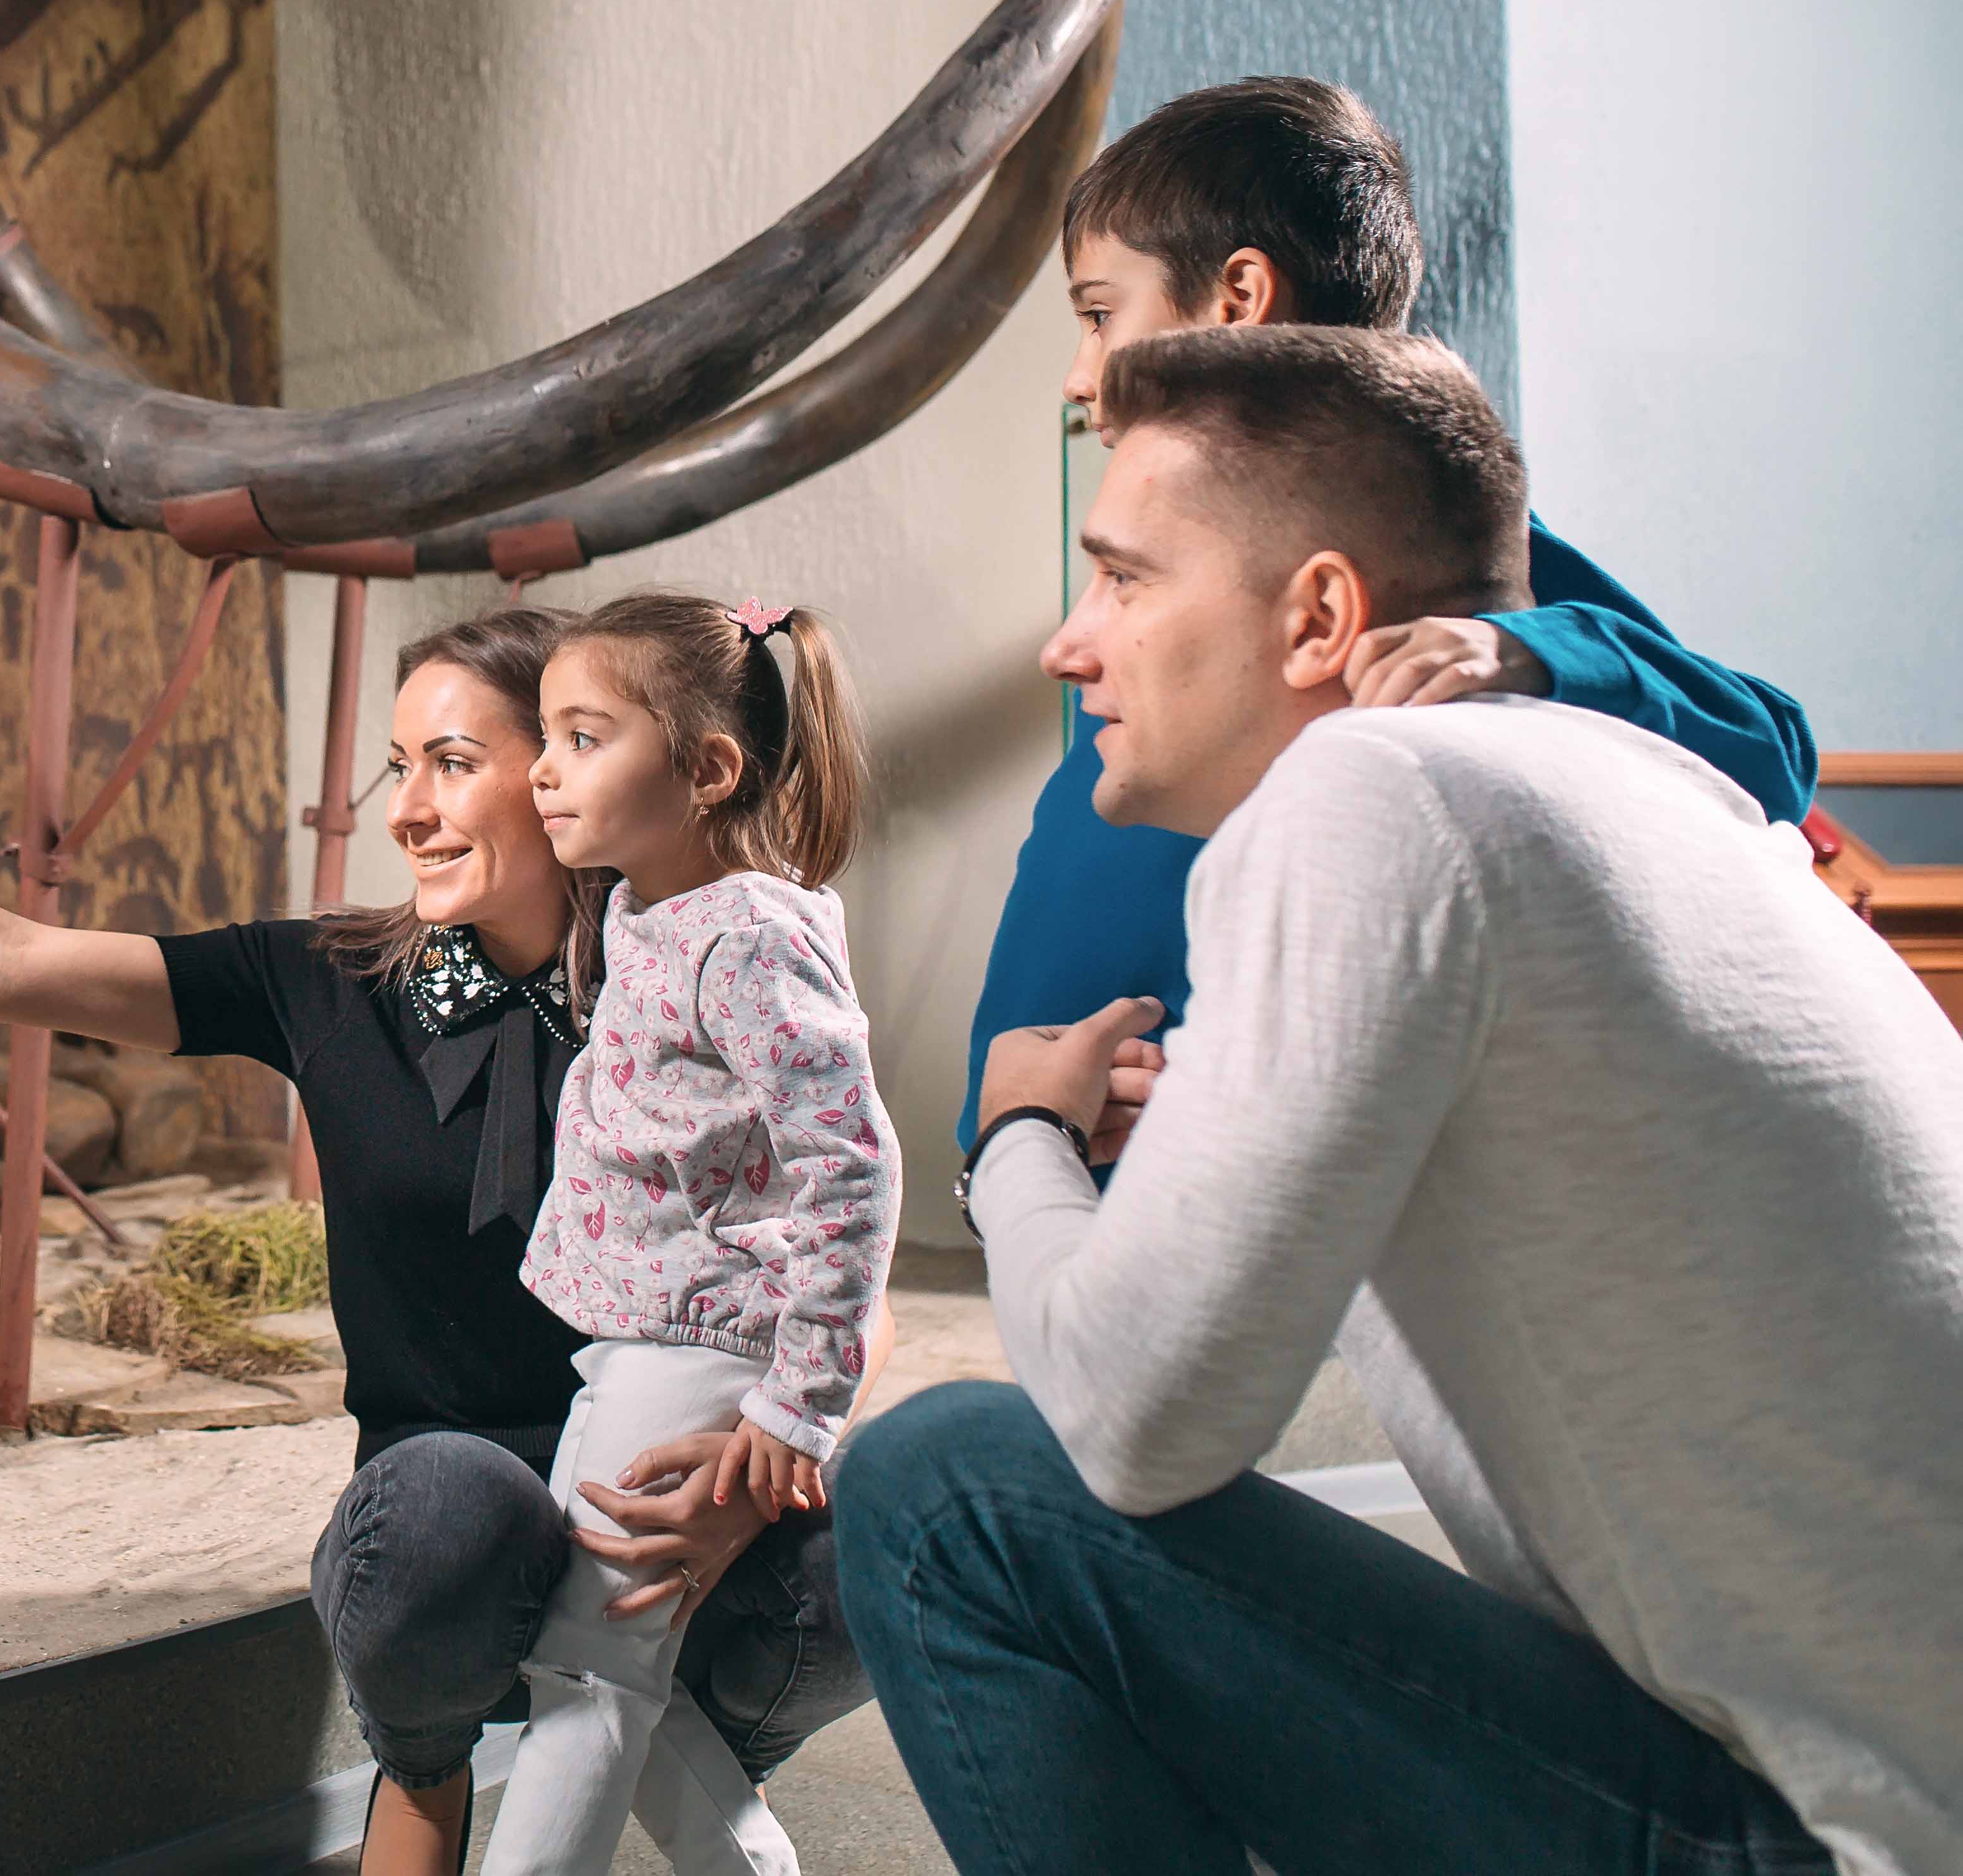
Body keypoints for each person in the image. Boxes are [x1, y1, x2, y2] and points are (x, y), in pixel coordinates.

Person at [836, 325, 1963, 1875]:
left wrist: (1015, 1135)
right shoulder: (1637, 784)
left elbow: (1132, 1426)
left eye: (1125, 577)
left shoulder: (1367, 793)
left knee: (945, 1488)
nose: (1066, 642)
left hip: (1837, 1841)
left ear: (1318, 616)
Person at [0, 609, 858, 1876]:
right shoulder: (329, 981)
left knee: (871, 1544)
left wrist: (759, 1466)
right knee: (451, 1511)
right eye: (399, 769)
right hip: (454, 1522)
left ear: (583, 768)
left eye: (457, 760)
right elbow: (4, 960)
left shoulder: (694, 965)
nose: (416, 811)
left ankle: (703, 1763)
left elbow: (838, 1228)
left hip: (668, 1488)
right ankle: (429, 1773)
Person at [959, 76, 1813, 1149]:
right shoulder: (1157, 520)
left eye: (1097, 315)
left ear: (1237, 297)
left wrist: (1516, 643)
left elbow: (1769, 744)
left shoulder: (1434, 550)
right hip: (1049, 1152)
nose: (1081, 376)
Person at [482, 592, 893, 1876]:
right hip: (641, 1341)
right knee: (599, 1661)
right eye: (544, 734)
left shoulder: (750, 936)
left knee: (588, 1674)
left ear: (708, 770)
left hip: (701, 1346)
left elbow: (850, 1164)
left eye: (585, 737)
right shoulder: (643, 909)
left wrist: (797, 1404)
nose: (543, 771)